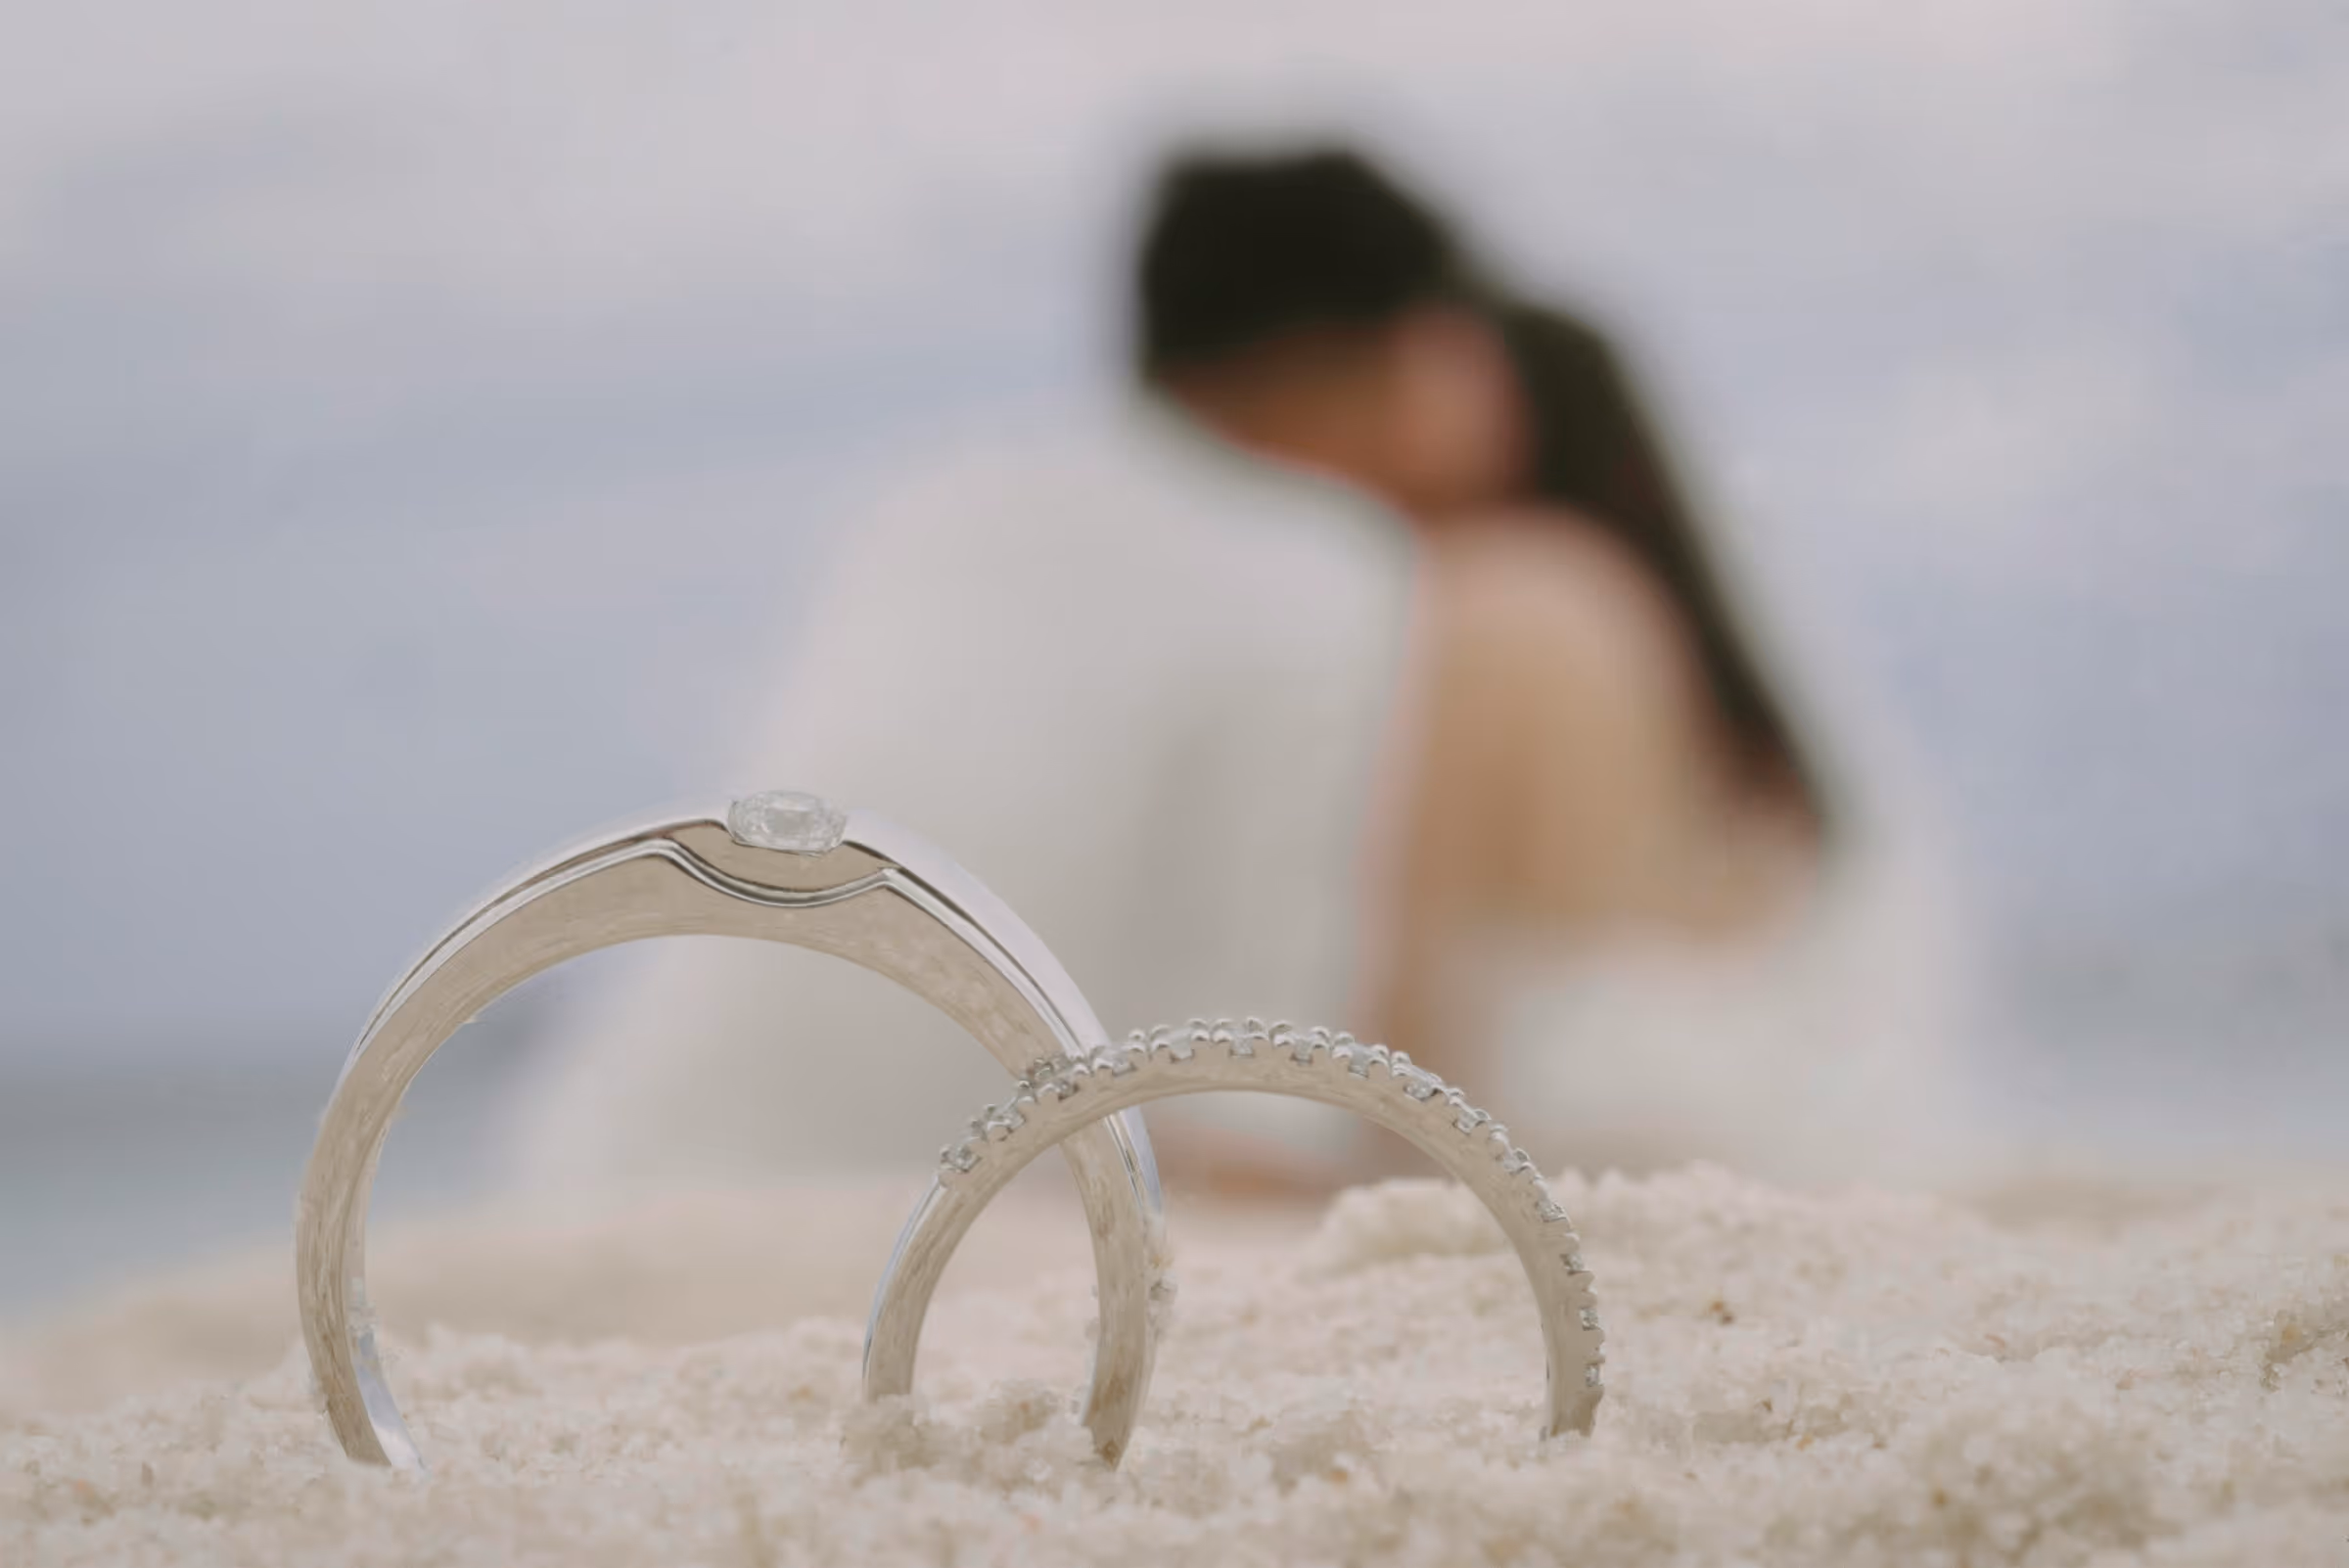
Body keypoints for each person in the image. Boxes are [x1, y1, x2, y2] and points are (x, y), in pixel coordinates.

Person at [508, 142, 1962, 1198]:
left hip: (699, 1164)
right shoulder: (1405, 591)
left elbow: (1344, 1046)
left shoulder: (975, 534)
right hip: (1734, 1153)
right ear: (1389, 351)